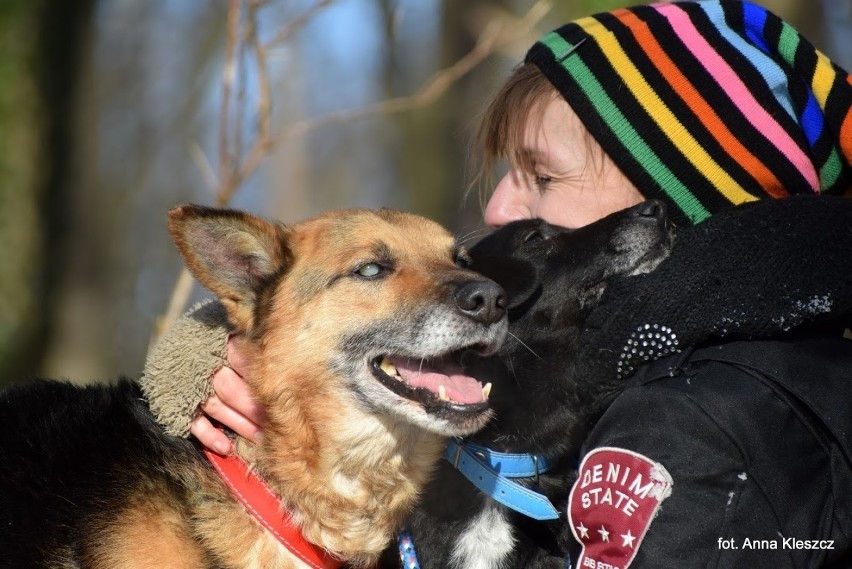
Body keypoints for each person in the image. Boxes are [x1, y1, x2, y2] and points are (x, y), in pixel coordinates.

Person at [141, 1, 852, 566]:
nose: (499, 208)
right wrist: (217, 348)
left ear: (665, 208)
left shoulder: (704, 428)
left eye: (542, 177)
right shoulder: (618, 352)